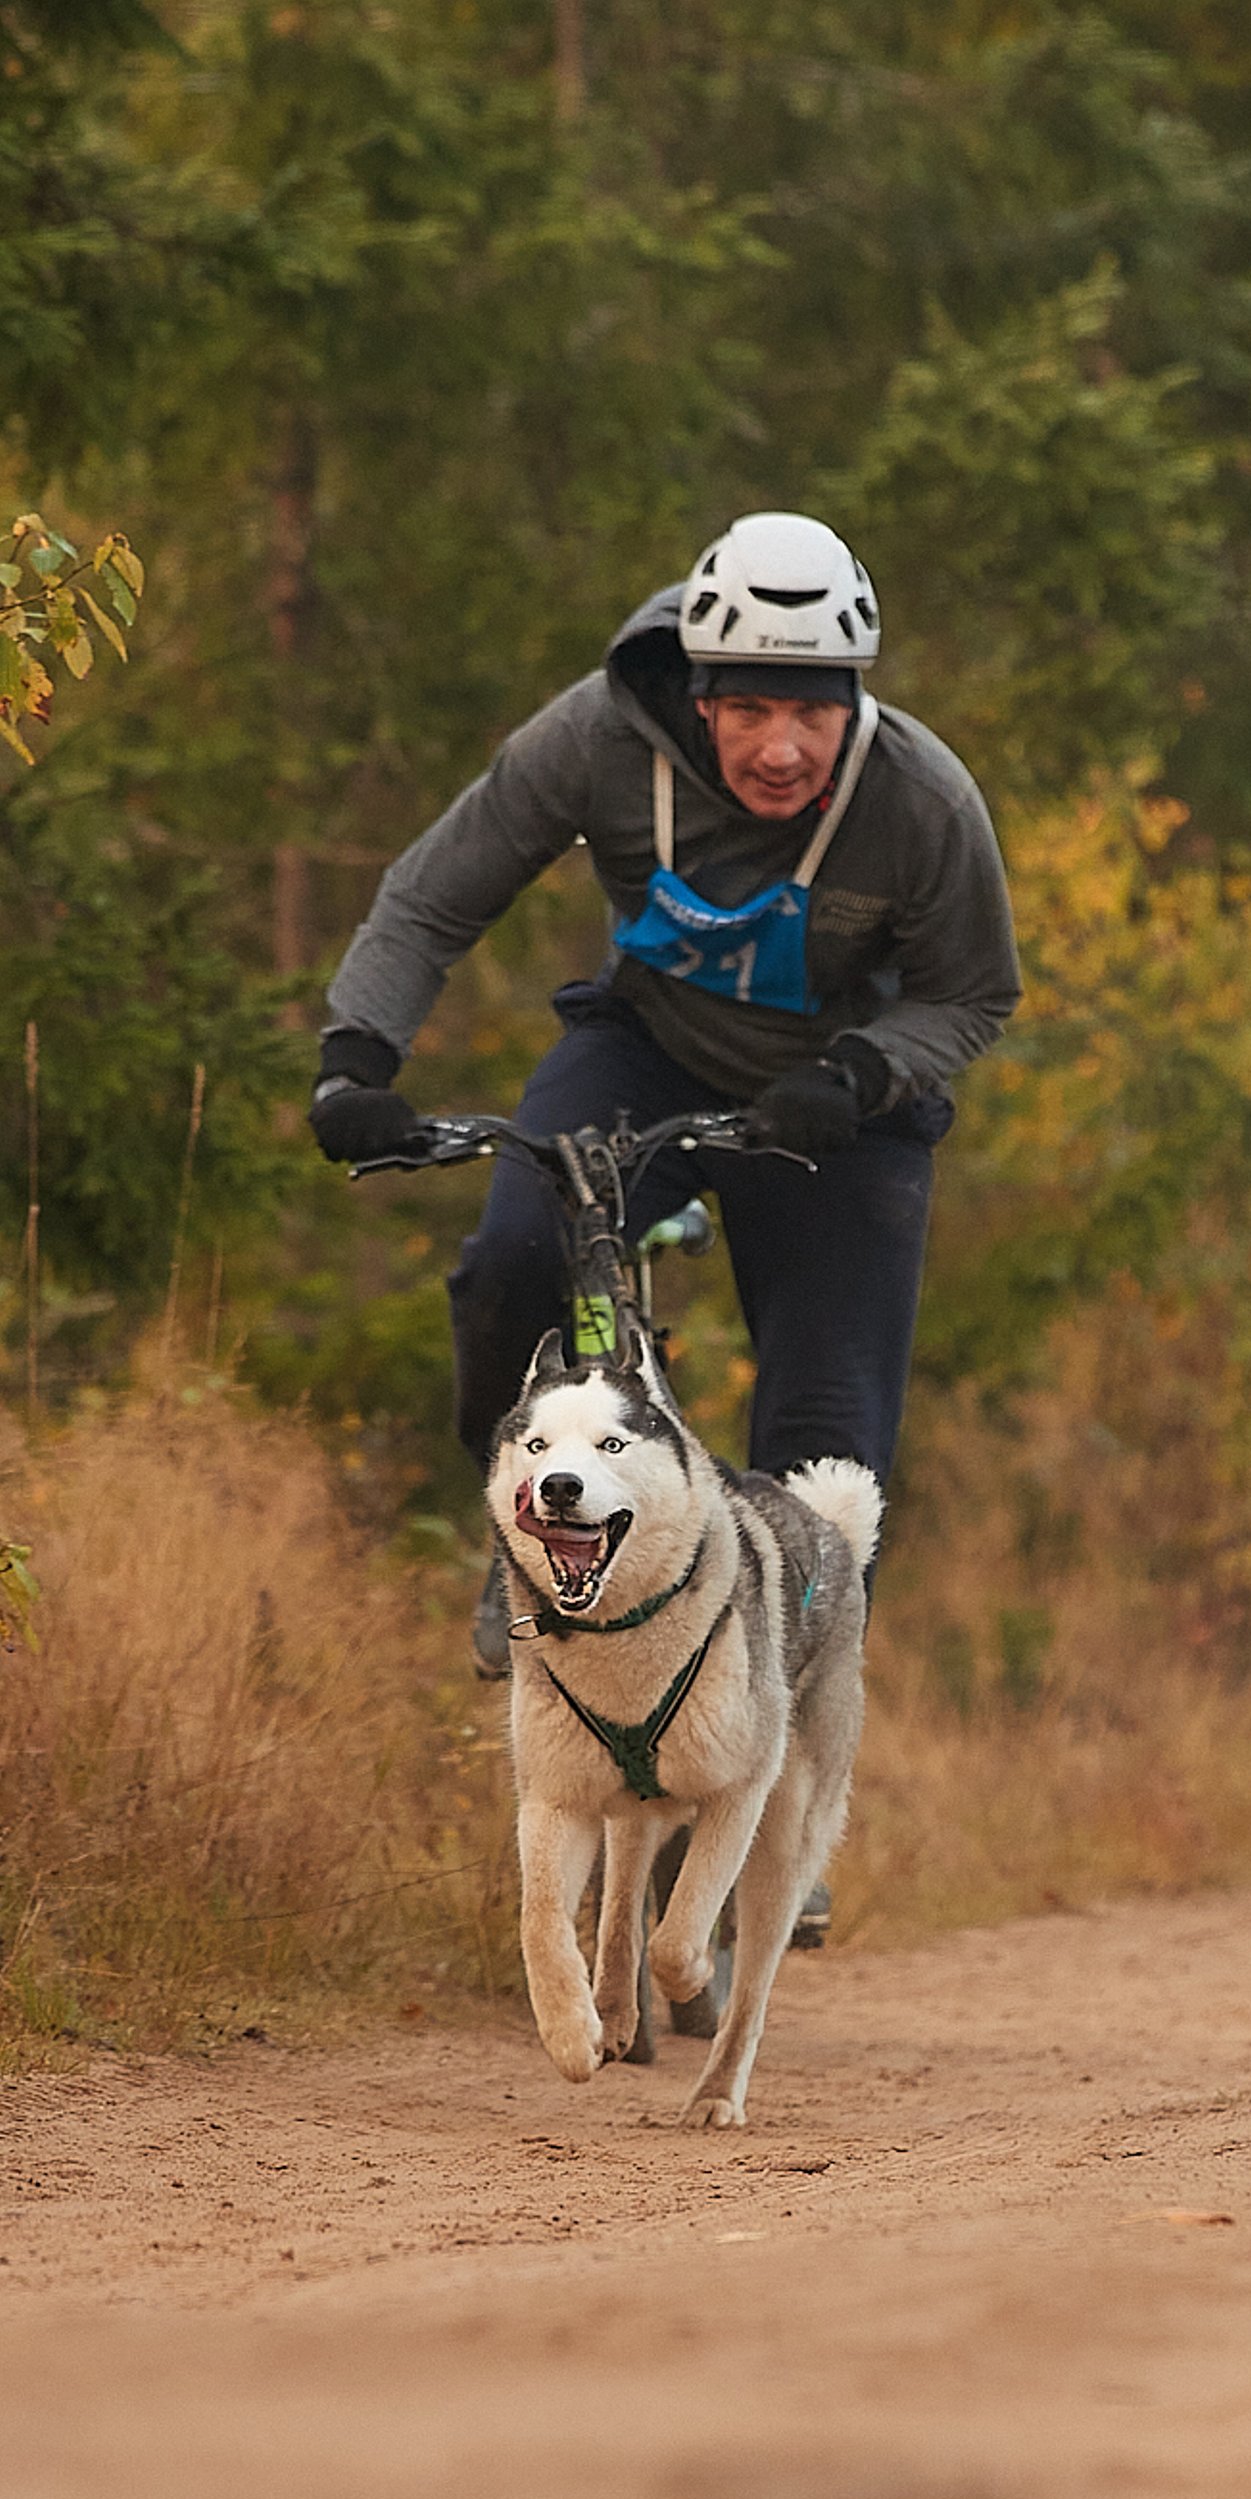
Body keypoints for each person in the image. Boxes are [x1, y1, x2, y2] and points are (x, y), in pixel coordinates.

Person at [309, 511, 1021, 1683]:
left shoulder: (921, 802)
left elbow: (973, 995)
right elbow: (434, 897)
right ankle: (526, 1524)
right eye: (749, 710)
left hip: (841, 1110)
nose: (783, 747)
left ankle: (778, 1780)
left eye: (813, 712)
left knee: (822, 1462)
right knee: (510, 1268)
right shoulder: (595, 739)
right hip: (649, 1054)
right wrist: (356, 1060)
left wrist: (857, 1072)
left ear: (856, 705)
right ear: (699, 697)